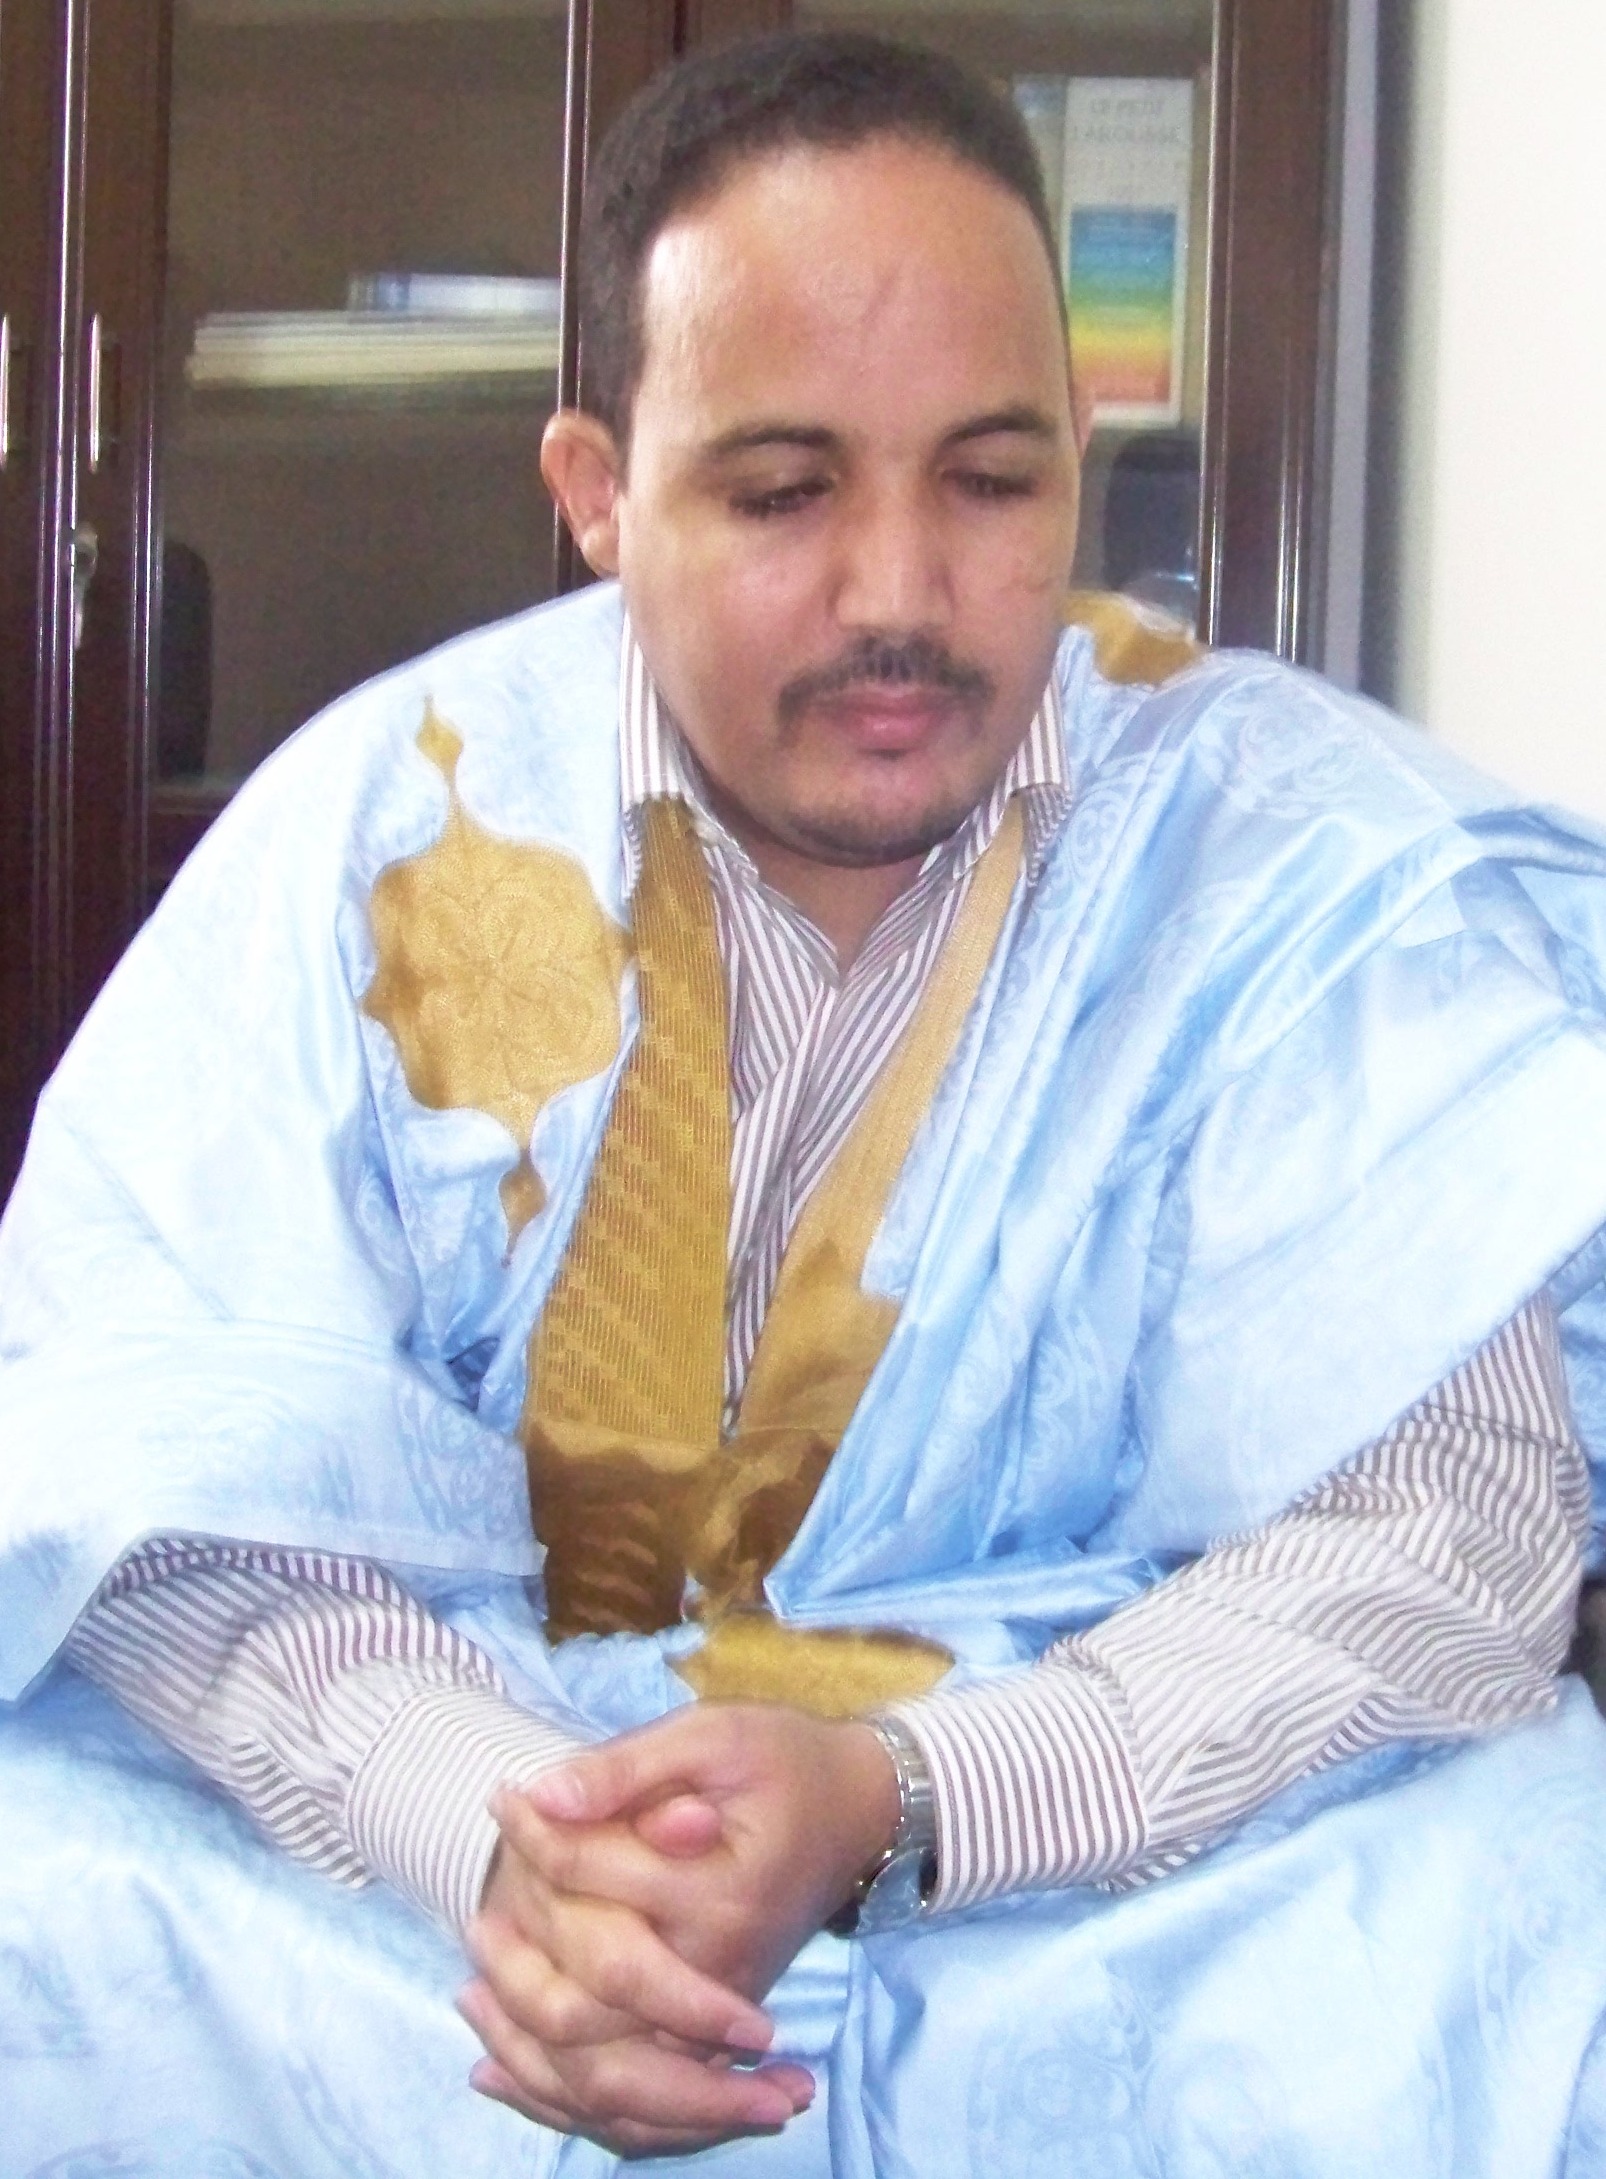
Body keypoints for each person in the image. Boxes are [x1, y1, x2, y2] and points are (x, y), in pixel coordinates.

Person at [4, 30, 1606, 2178]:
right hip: (463, 1852)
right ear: (596, 490)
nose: (897, 596)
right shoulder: (377, 833)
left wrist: (913, 1797)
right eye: (781, 493)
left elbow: (1448, 1527)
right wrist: (508, 1855)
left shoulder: (1295, 870)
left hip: (1097, 1867)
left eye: (989, 480)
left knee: (1510, 1910)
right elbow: (138, 1469)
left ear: (1082, 457)